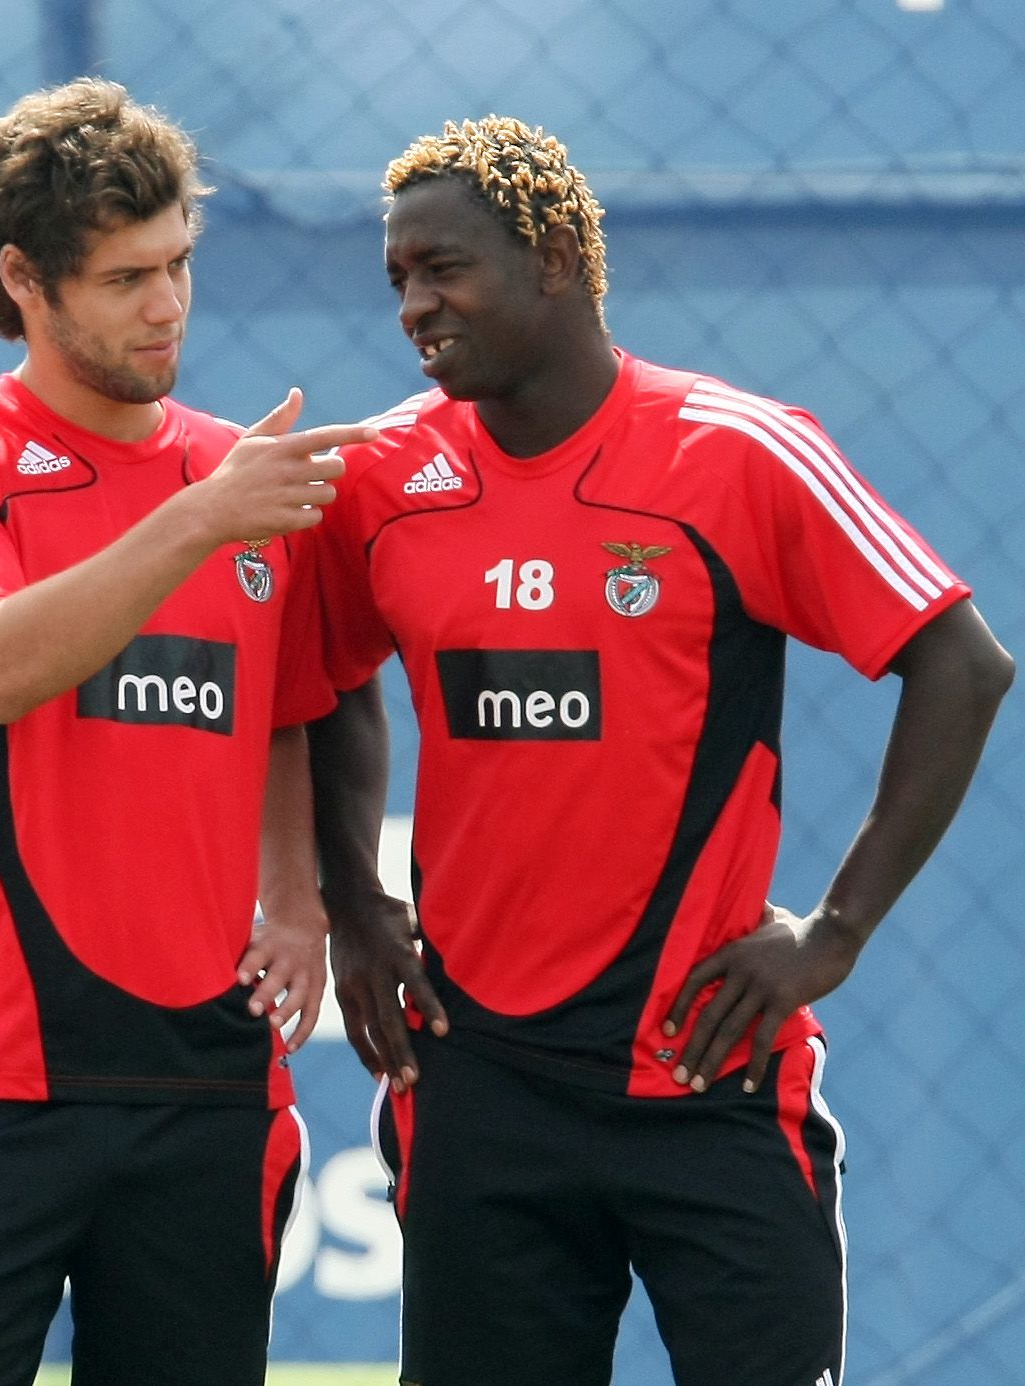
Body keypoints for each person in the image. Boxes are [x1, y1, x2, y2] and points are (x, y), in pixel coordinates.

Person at [307, 116, 1014, 1386]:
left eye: (445, 269)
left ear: (555, 258)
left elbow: (962, 664)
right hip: (479, 1080)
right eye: (399, 278)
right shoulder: (384, 479)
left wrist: (835, 932)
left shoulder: (734, 452)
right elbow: (325, 678)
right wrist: (351, 901)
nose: (414, 307)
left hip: (704, 1066)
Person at [0, 78, 373, 1385]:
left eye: (179, 264)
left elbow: (290, 710)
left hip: (209, 1082)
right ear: (24, 280)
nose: (167, 305)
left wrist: (295, 895)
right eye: (125, 278)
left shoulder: (240, 480)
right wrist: (197, 518)